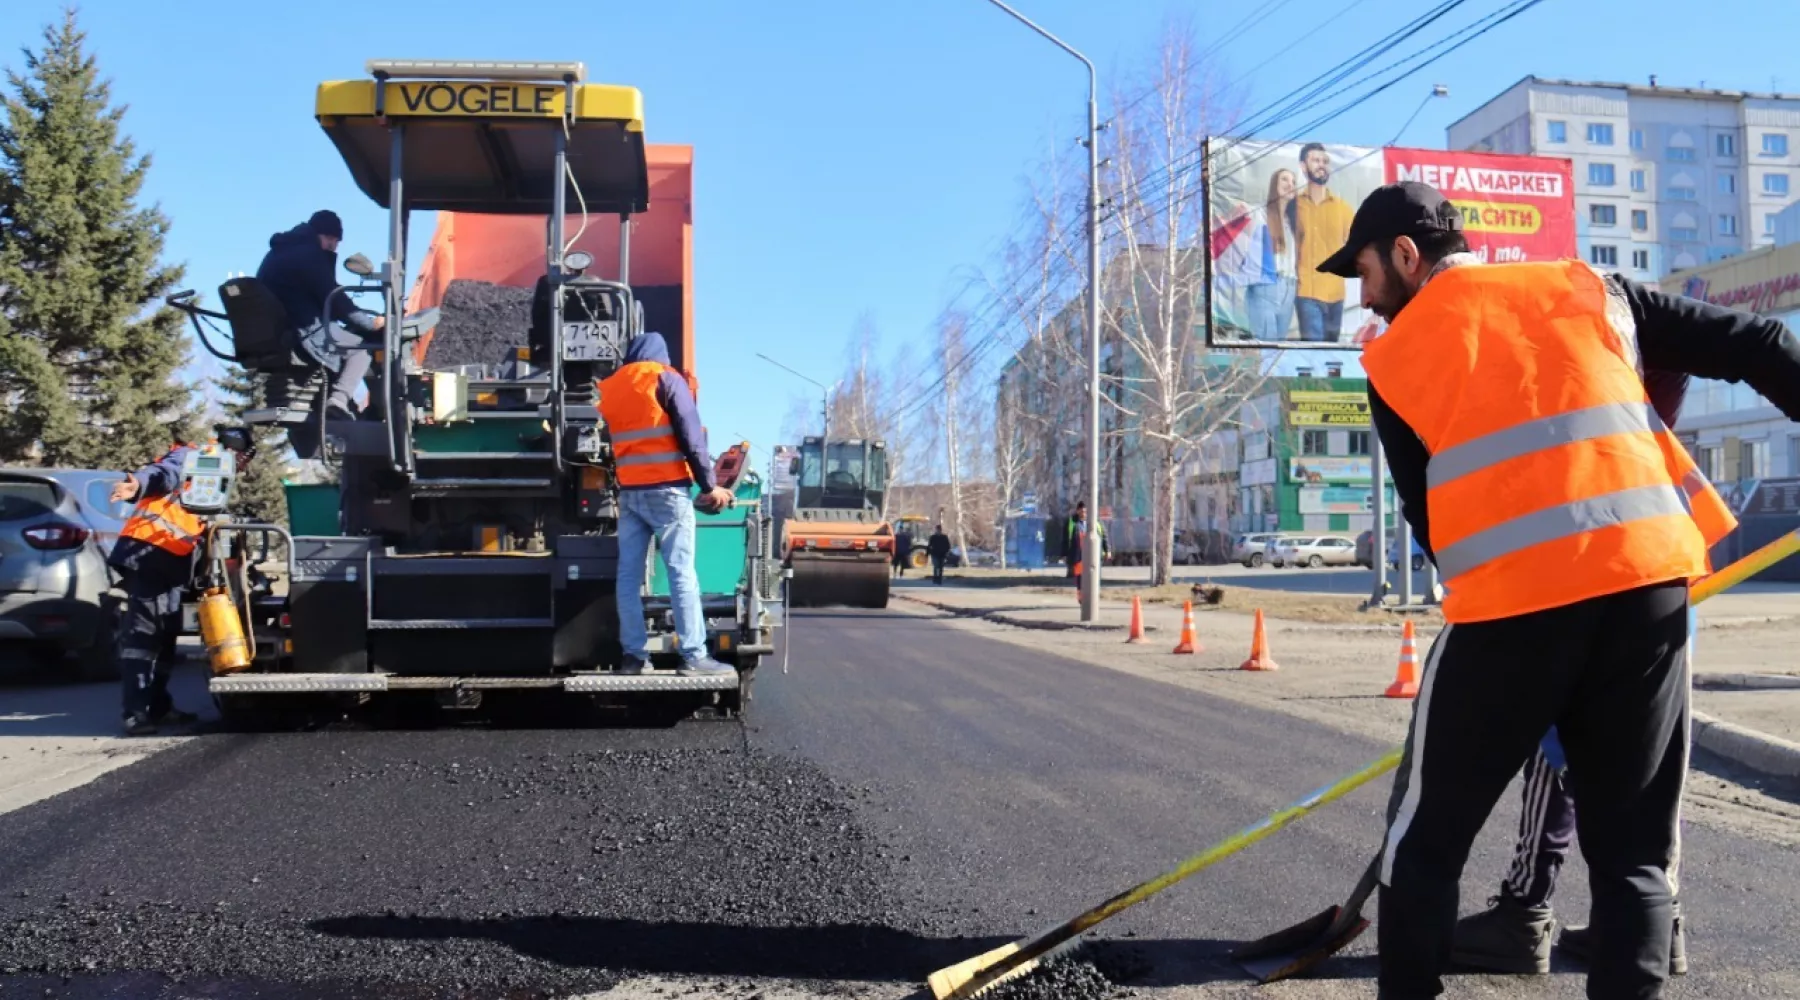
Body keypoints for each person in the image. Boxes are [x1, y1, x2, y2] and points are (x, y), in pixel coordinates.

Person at [1316, 179, 1800, 1000]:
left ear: (1406, 254)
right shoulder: (1587, 285)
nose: (1364, 297)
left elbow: (1428, 521)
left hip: (1510, 613)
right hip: (1646, 595)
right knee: (1636, 858)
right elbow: (1755, 341)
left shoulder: (1394, 357)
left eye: (1363, 271)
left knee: (1426, 844)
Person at [1453, 365, 1702, 979]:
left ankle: (1523, 915)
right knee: (1650, 770)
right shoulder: (1637, 389)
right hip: (1655, 579)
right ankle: (1656, 923)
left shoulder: (1578, 387)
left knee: (1555, 755)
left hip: (1585, 576)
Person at [597, 332, 736, 676]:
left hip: (629, 494)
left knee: (627, 577)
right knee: (680, 572)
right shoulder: (665, 378)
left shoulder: (610, 387)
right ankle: (693, 656)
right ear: (661, 355)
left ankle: (633, 657)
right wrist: (711, 486)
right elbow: (691, 436)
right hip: (668, 493)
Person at [109, 430, 254, 735]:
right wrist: (138, 484)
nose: (242, 468)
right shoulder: (199, 457)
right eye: (243, 460)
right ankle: (134, 713)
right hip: (150, 553)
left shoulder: (214, 477)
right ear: (236, 449)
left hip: (169, 561)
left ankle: (158, 706)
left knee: (167, 635)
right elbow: (165, 474)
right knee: (145, 636)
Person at [256, 209, 384, 422]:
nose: (334, 245)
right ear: (317, 234)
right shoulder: (309, 255)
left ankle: (346, 410)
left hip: (283, 329)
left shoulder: (282, 250)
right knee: (361, 349)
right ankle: (340, 400)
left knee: (343, 344)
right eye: (330, 238)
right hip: (303, 329)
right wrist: (371, 325)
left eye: (337, 241)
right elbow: (334, 299)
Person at [1293, 143, 1355, 343]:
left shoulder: (1342, 208)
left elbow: (1356, 244)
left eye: (1325, 161)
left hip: (1336, 293)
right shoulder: (1294, 206)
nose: (1322, 165)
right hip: (1307, 292)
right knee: (1315, 355)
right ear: (1303, 166)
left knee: (1330, 361)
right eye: (1316, 160)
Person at [1245, 169, 1301, 340]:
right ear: (1274, 185)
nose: (1290, 184)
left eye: (1293, 181)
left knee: (1279, 351)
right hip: (1266, 286)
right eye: (1284, 179)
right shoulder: (1260, 214)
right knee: (1267, 346)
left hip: (1290, 288)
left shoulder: (1293, 222)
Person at [1066, 502, 1108, 592]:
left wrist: (1107, 550)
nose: (1083, 513)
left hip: (1093, 554)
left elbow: (1104, 536)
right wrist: (1065, 554)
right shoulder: (1073, 522)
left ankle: (1092, 594)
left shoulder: (1096, 521)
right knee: (1080, 578)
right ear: (1077, 511)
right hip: (1078, 555)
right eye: (1081, 511)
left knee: (1094, 576)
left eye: (1085, 511)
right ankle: (1081, 595)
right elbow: (1066, 540)